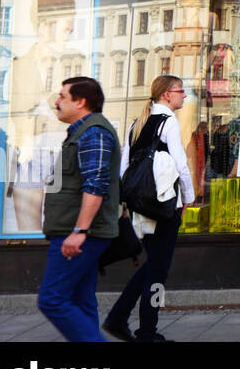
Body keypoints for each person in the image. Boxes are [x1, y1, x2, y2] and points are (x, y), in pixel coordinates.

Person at [104, 75, 195, 343]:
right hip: (164, 204)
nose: (184, 96)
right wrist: (188, 197)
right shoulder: (167, 122)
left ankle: (119, 317)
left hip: (141, 205)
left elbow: (124, 167)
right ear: (167, 94)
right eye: (181, 91)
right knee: (158, 272)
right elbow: (180, 165)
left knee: (154, 265)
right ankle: (147, 332)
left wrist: (125, 202)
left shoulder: (137, 123)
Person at [36, 77, 120, 343]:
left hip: (80, 232)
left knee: (52, 299)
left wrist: (79, 230)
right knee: (80, 301)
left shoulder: (94, 132)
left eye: (62, 97)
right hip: (78, 230)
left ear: (80, 102)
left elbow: (95, 184)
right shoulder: (82, 131)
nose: (57, 102)